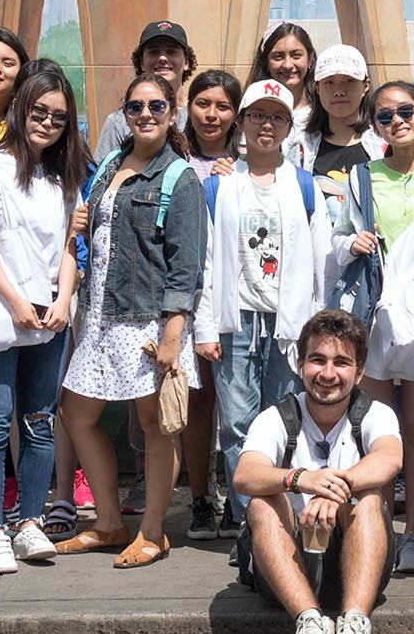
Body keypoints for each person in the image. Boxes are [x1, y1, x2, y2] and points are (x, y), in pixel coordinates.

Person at [56, 70, 206, 566]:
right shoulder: (109, 167)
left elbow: (186, 265)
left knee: (155, 424)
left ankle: (153, 532)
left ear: (172, 114)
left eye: (156, 107)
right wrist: (82, 221)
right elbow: (98, 234)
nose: (145, 115)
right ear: (124, 114)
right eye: (136, 107)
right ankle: (108, 523)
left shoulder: (179, 177)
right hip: (99, 318)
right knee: (77, 414)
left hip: (149, 322)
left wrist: (173, 334)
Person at [0, 61, 87, 574]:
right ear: (20, 108)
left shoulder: (63, 177)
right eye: (39, 112)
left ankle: (30, 522)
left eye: (59, 117)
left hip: (48, 317)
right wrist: (15, 302)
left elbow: (71, 248)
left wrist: (60, 300)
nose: (48, 124)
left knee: (38, 423)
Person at [194, 77, 333, 526]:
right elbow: (206, 261)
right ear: (242, 122)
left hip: (290, 325)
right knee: (235, 425)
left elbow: (323, 261)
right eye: (258, 115)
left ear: (290, 126)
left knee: (283, 422)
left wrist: (320, 326)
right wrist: (205, 327)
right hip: (236, 322)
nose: (266, 125)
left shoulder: (305, 186)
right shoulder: (220, 185)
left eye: (277, 117)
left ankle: (282, 515)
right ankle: (247, 521)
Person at [235, 308, 401, 634]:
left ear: (359, 372)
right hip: (289, 566)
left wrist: (334, 488)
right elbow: (245, 474)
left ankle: (355, 623)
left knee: (369, 497)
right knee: (262, 505)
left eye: (341, 362)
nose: (327, 374)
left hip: (356, 563)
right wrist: (301, 479)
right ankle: (308, 623)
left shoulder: (375, 413)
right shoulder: (277, 416)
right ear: (299, 364)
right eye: (317, 360)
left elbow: (390, 458)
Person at [357, 79, 414, 573]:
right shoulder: (360, 177)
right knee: (375, 428)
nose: (398, 121)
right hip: (374, 319)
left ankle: (411, 536)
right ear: (375, 127)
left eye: (406, 110)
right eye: (385, 116)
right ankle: (376, 530)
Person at [176, 68, 240, 537]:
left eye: (221, 106)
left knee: (241, 406)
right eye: (203, 104)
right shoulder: (173, 157)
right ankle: (200, 498)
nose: (211, 114)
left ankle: (242, 500)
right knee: (198, 405)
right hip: (185, 295)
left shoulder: (249, 158)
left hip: (237, 296)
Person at [94, 19, 196, 158]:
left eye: (171, 51)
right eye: (154, 52)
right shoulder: (119, 122)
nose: (162, 58)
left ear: (187, 62)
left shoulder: (199, 116)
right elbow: (102, 175)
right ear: (141, 62)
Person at [290, 44, 380, 177]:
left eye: (349, 81)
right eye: (329, 82)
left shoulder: (383, 143)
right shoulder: (300, 146)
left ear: (365, 86)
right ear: (317, 88)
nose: (339, 91)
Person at [246, 21, 315, 130]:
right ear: (266, 62)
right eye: (278, 57)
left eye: (296, 56)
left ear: (310, 60)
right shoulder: (249, 113)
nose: (288, 65)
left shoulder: (324, 112)